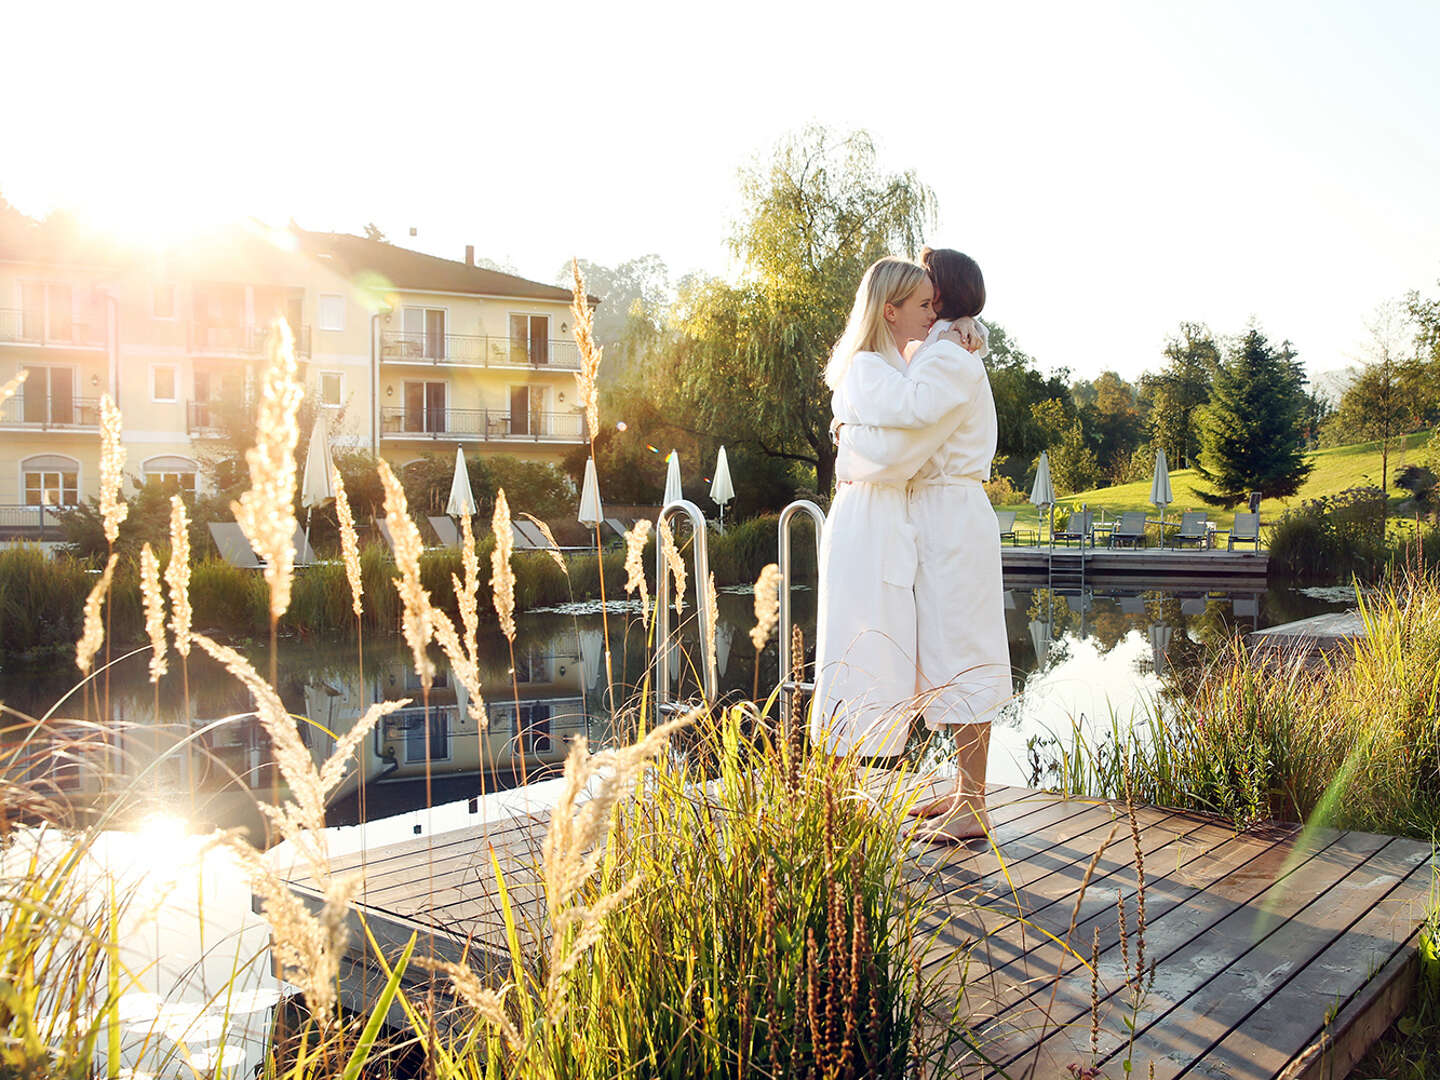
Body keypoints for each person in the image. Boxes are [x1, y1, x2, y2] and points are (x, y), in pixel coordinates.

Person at [832, 247, 1010, 840]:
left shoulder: (950, 361)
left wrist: (848, 441)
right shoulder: (938, 352)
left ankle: (973, 804)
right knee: (940, 652)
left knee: (963, 651)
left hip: (950, 516)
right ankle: (963, 793)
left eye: (928, 285)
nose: (922, 294)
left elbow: (906, 440)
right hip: (931, 515)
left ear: (944, 294)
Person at [810, 256, 983, 763]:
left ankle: (853, 793)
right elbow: (902, 445)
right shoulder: (867, 367)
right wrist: (855, 451)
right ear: (890, 310)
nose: (934, 314)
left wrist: (968, 329)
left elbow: (904, 439)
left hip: (886, 519)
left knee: (883, 654)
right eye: (925, 305)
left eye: (937, 305)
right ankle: (838, 798)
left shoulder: (897, 364)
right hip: (867, 521)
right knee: (859, 648)